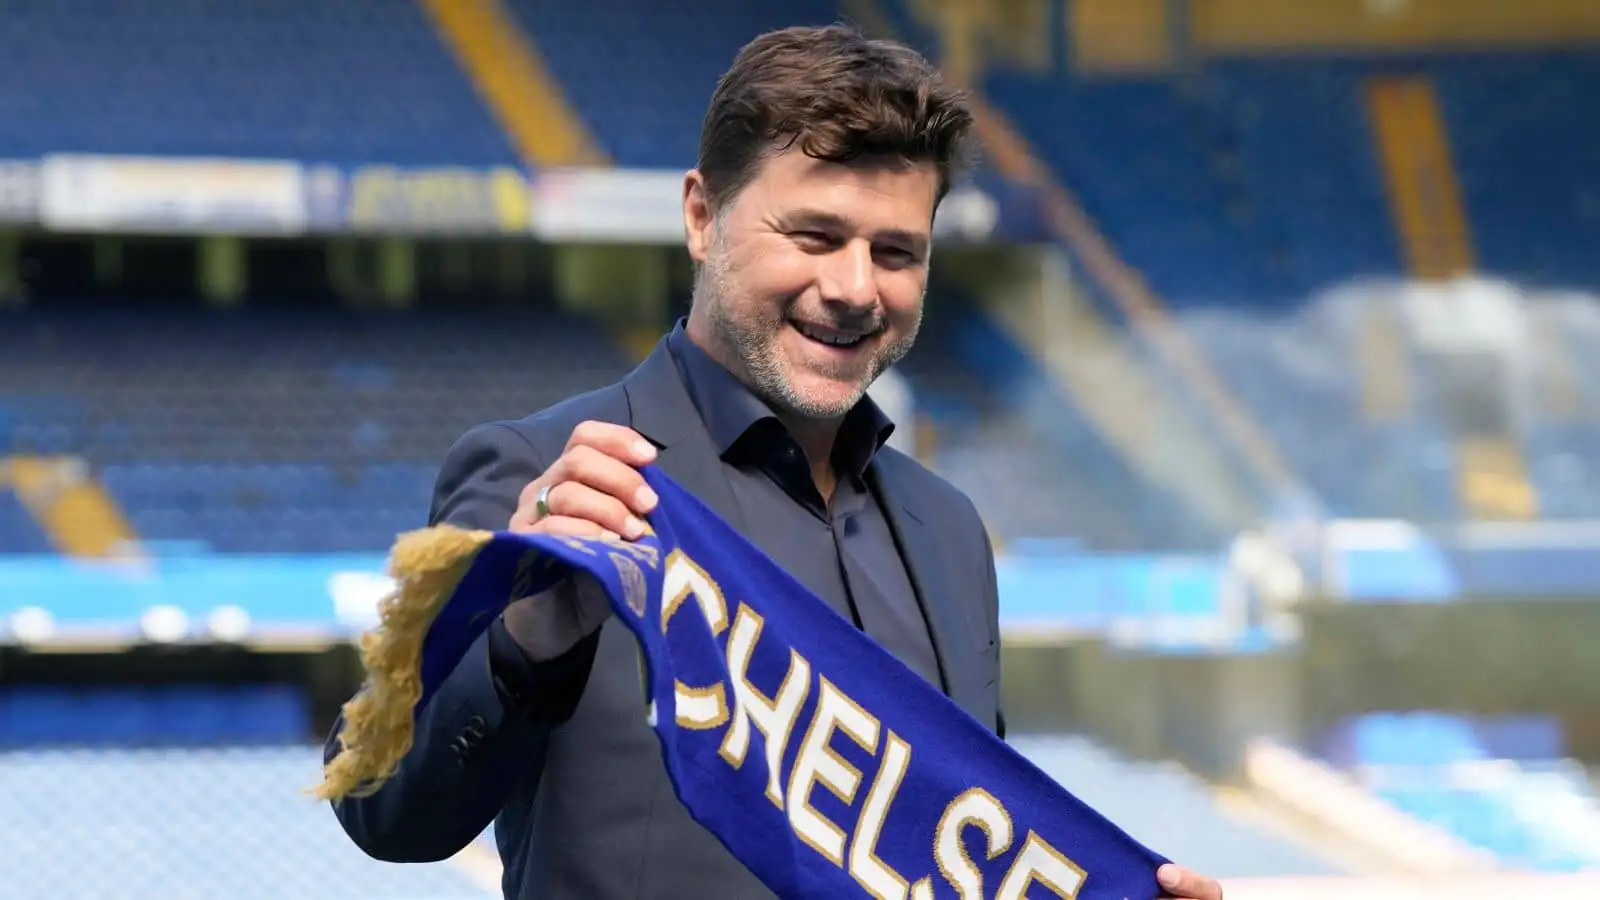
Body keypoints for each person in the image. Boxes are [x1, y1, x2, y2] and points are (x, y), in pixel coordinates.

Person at [325, 24, 1222, 900]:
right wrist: (519, 640)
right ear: (702, 218)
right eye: (815, 236)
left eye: (897, 252)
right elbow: (384, 809)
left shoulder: (947, 530)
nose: (855, 288)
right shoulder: (549, 475)